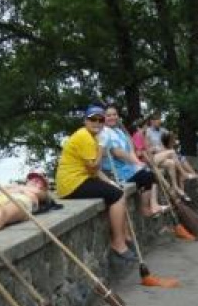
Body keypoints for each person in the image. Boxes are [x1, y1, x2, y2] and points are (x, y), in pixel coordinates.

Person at [55, 104, 137, 262]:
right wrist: (101, 147)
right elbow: (94, 166)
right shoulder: (85, 137)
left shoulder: (91, 136)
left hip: (79, 180)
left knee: (115, 190)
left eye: (100, 120)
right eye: (93, 119)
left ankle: (124, 237)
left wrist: (110, 182)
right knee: (118, 196)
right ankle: (118, 243)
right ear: (85, 120)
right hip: (72, 184)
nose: (97, 122)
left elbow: (93, 171)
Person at [99, 105, 168, 217]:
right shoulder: (104, 132)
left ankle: (154, 204)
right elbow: (117, 152)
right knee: (147, 177)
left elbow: (130, 150)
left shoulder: (119, 131)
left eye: (114, 114)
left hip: (126, 167)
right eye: (108, 115)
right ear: (103, 117)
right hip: (115, 171)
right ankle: (145, 209)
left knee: (149, 173)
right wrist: (136, 163)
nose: (112, 117)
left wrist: (138, 163)